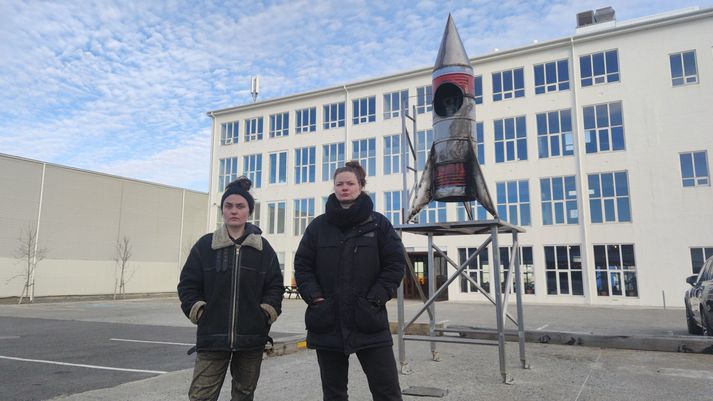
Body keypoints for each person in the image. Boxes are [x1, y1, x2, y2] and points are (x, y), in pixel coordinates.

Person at [295, 161, 406, 401]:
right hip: (328, 321)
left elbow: (395, 264)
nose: (344, 188)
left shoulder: (378, 224)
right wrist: (315, 298)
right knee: (334, 394)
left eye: (350, 183)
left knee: (387, 391)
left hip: (368, 320)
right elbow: (303, 266)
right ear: (334, 187)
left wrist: (375, 298)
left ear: (361, 186)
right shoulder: (318, 227)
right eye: (339, 184)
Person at [178, 176, 284, 401]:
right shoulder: (205, 246)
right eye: (228, 206)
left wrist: (265, 313)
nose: (234, 211)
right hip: (212, 338)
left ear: (249, 211)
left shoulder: (264, 250)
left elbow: (275, 287)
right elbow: (188, 285)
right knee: (201, 396)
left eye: (240, 206)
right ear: (222, 211)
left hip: (251, 339)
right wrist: (199, 311)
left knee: (244, 395)